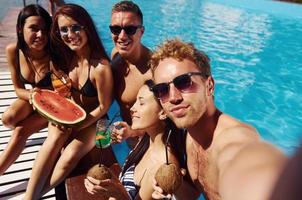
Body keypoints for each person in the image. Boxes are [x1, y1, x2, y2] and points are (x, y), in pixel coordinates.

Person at [149, 39, 288, 200]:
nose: (173, 97)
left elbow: (247, 166)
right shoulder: (191, 136)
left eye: (183, 82)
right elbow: (196, 191)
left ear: (209, 86)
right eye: (162, 89)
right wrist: (174, 188)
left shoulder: (233, 140)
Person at [24, 4, 116, 199]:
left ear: (87, 28)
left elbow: (104, 106)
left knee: (69, 157)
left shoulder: (100, 67)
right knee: (53, 141)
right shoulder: (70, 56)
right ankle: (30, 196)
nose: (70, 34)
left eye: (75, 27)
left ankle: (32, 196)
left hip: (97, 121)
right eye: (63, 29)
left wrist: (79, 124)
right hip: (72, 116)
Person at [84, 80, 199, 199]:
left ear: (163, 112)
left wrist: (115, 191)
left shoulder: (161, 166)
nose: (132, 108)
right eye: (135, 101)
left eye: (141, 103)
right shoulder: (147, 139)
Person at [0, 4, 52, 175]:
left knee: (21, 131)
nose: (41, 35)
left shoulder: (56, 51)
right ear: (20, 29)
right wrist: (32, 95)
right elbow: (18, 89)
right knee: (8, 119)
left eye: (44, 29)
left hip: (57, 103)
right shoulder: (13, 51)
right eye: (34, 29)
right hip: (36, 97)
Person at [110, 1, 152, 148]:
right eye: (115, 29)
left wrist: (132, 132)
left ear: (141, 31)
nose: (121, 36)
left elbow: (165, 122)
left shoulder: (153, 71)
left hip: (148, 147)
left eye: (130, 29)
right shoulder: (116, 55)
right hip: (125, 139)